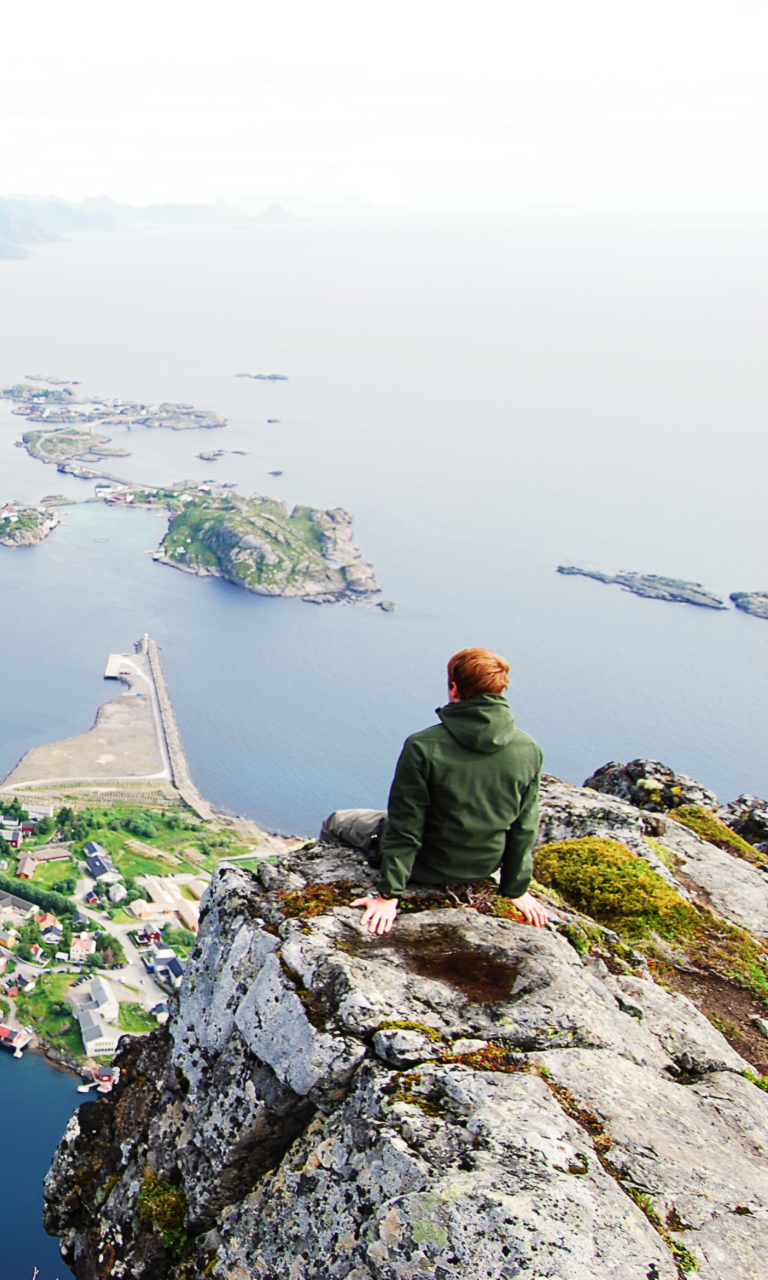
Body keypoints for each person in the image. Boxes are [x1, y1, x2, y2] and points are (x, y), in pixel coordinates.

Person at [323, 647, 547, 935]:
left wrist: (388, 896)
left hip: (424, 866)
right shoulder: (528, 748)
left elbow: (406, 827)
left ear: (454, 688)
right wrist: (516, 889)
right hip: (482, 867)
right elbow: (525, 825)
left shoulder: (423, 746)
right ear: (500, 689)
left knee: (337, 820)